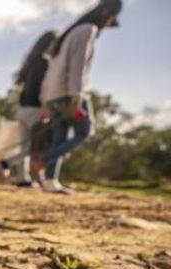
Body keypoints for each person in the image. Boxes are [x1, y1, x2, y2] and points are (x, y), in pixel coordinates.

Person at [39, 0, 123, 194]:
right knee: (84, 132)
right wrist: (76, 97)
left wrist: (45, 101)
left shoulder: (69, 34)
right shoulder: (88, 30)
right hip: (68, 94)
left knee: (60, 137)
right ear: (107, 14)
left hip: (53, 95)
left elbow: (51, 71)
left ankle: (50, 181)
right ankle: (47, 159)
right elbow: (78, 66)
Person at [8, 30, 59, 187]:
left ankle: (22, 178)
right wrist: (46, 106)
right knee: (39, 144)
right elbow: (45, 88)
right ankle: (40, 177)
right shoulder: (45, 62)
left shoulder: (31, 62)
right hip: (36, 108)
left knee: (24, 144)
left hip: (23, 107)